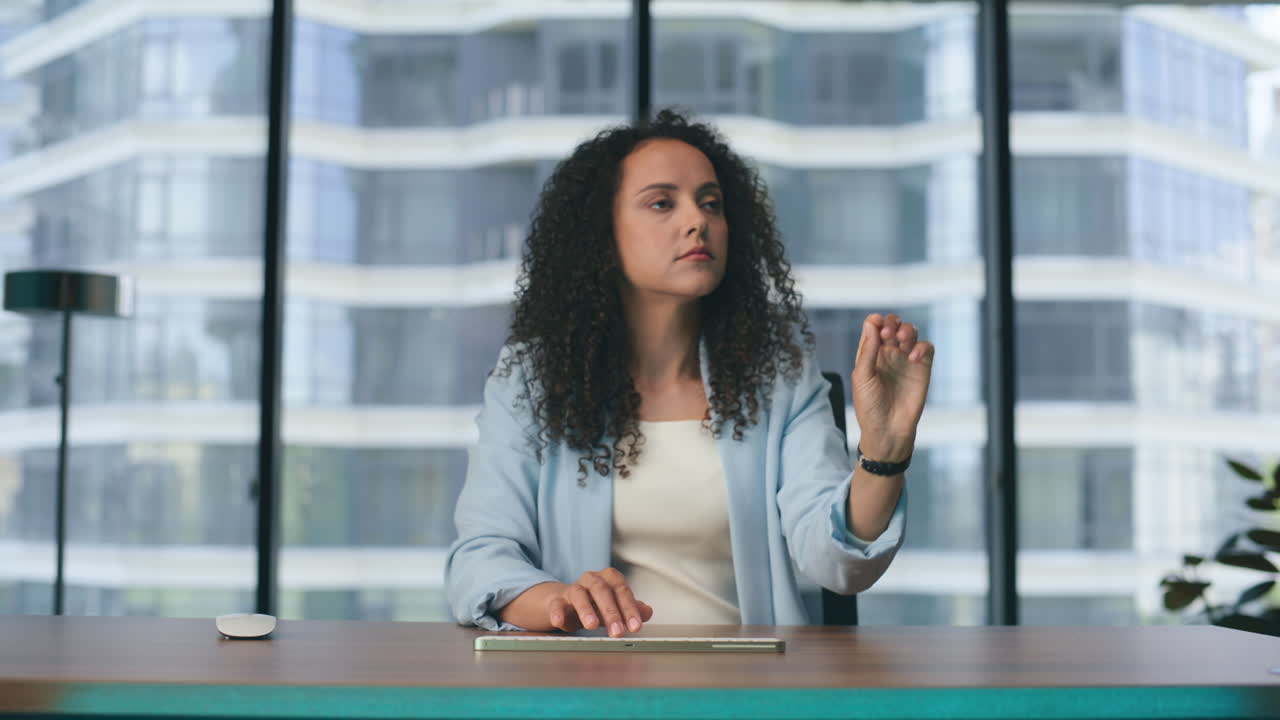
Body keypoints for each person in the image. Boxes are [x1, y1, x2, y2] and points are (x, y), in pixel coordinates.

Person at [445, 109, 934, 636]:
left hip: (747, 693)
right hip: (588, 692)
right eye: (662, 203)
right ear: (602, 235)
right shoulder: (532, 381)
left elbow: (836, 562)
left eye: (711, 203)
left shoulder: (778, 375)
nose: (696, 220)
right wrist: (558, 601)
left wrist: (883, 454)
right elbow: (480, 558)